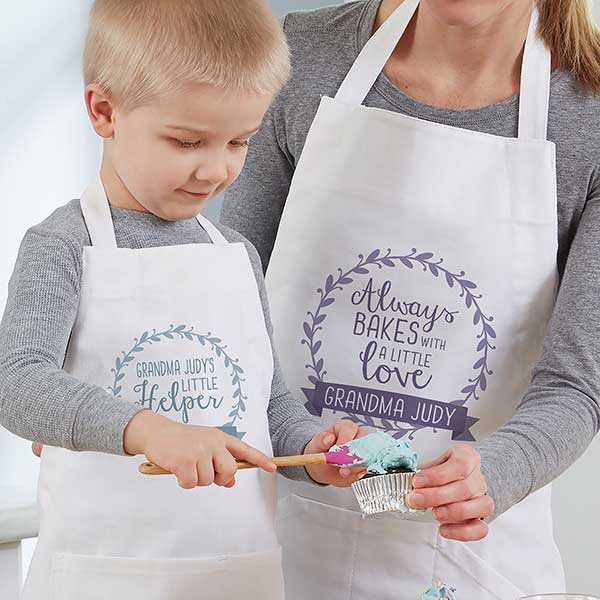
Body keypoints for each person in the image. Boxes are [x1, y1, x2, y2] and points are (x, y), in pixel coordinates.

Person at [221, 0, 600, 598]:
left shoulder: (590, 116)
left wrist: (494, 473)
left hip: (468, 558)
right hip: (277, 536)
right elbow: (230, 310)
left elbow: (577, 383)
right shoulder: (299, 56)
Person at [0, 2, 366, 599]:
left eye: (238, 142)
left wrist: (312, 448)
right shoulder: (64, 246)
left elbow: (265, 402)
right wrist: (151, 431)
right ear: (104, 111)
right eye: (187, 141)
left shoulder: (236, 254)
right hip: (106, 576)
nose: (216, 170)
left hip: (238, 576)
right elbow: (14, 384)